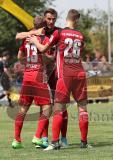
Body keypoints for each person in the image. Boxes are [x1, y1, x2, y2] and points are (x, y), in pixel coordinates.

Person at [28, 9, 91, 150]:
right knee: (83, 108)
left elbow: (43, 49)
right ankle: (84, 142)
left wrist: (33, 41)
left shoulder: (60, 33)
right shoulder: (81, 35)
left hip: (65, 74)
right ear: (77, 20)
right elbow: (82, 49)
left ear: (66, 18)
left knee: (58, 108)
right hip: (80, 73)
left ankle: (55, 142)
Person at [16, 8, 69, 148]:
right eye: (48, 19)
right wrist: (34, 34)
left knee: (60, 106)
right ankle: (43, 138)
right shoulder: (40, 33)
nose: (51, 21)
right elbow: (18, 36)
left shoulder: (59, 32)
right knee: (45, 106)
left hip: (55, 73)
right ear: (44, 19)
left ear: (56, 19)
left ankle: (62, 138)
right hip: (41, 74)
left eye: (53, 19)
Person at [12, 17, 52, 149]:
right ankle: (37, 137)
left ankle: (16, 140)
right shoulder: (44, 39)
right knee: (47, 108)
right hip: (38, 76)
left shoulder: (27, 38)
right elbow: (49, 55)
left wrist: (29, 63)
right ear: (44, 27)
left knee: (23, 109)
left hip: (27, 76)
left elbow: (19, 57)